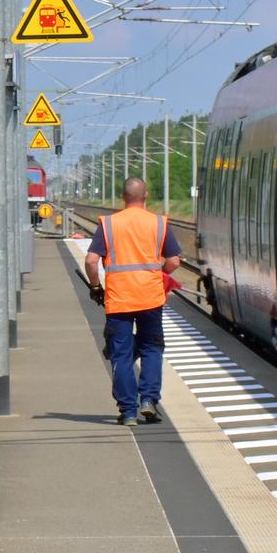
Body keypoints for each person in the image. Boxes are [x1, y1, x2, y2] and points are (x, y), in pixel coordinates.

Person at [88, 178, 176, 424]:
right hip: (150, 298)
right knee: (151, 348)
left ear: (123, 196)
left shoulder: (109, 224)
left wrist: (96, 287)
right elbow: (174, 260)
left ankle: (128, 412)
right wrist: (160, 275)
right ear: (145, 195)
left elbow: (91, 261)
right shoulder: (158, 223)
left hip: (118, 300)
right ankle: (148, 400)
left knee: (121, 354)